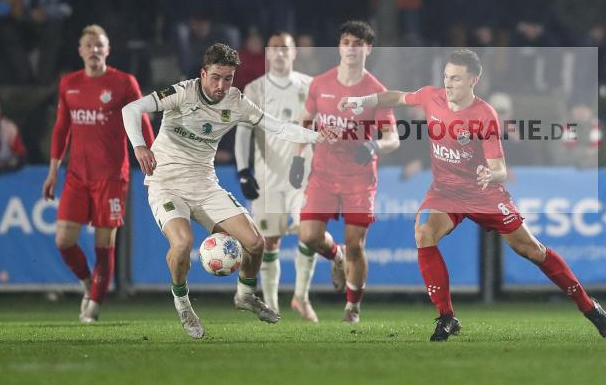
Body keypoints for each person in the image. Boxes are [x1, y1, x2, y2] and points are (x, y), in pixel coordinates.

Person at [340, 49, 606, 341]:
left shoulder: (484, 115)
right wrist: (363, 102)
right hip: (445, 191)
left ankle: (590, 307)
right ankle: (447, 317)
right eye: (446, 77)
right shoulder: (430, 96)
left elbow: (499, 168)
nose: (448, 84)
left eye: (456, 79)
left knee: (532, 250)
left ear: (473, 80)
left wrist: (490, 175)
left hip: (483, 193)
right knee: (424, 233)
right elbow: (396, 97)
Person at [121, 43, 339, 339]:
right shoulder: (182, 92)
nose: (221, 86)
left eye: (228, 78)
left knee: (256, 242)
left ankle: (245, 295)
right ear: (202, 73)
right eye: (215, 77)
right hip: (166, 184)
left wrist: (317, 137)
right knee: (183, 243)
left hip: (205, 185)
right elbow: (131, 109)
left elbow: (279, 128)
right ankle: (183, 302)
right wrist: (139, 146)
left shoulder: (237, 102)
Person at [42, 25, 154, 323]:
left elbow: (142, 121)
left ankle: (94, 303)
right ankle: (87, 282)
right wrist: (53, 171)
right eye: (88, 45)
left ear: (107, 50)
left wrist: (152, 157)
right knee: (64, 241)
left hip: (111, 176)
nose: (94, 50)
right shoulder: (69, 83)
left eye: (99, 45)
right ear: (80, 50)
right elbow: (61, 128)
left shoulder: (123, 82)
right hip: (77, 175)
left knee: (103, 245)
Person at [296, 21, 400, 323]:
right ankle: (335, 256)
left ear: (368, 49)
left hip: (359, 176)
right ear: (339, 47)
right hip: (323, 173)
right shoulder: (320, 84)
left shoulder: (377, 92)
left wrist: (373, 147)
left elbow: (393, 137)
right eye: (345, 42)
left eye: (358, 43)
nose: (351, 48)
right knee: (308, 235)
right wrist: (296, 160)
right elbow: (305, 122)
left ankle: (352, 307)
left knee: (357, 243)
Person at [234, 32, 319, 321]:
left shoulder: (309, 86)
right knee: (269, 242)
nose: (279, 54)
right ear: (267, 55)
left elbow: (319, 130)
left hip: (303, 176)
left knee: (309, 235)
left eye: (285, 49)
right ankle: (272, 303)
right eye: (274, 49)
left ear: (294, 53)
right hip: (267, 176)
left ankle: (301, 297)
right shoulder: (255, 89)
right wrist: (243, 169)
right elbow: (243, 130)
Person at [0, 94, 27, 176]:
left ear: (0, 110)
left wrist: (5, 164)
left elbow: (22, 159)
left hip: (7, 175)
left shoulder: (10, 130)